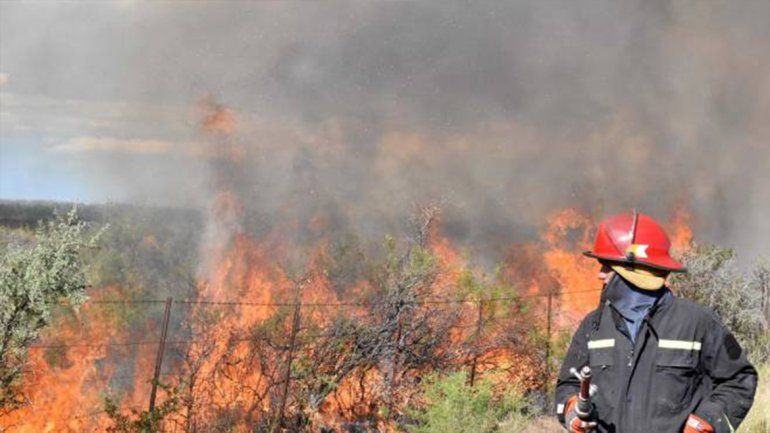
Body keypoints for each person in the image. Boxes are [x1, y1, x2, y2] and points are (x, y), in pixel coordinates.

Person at [555, 211, 757, 433]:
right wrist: (572, 410)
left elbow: (739, 379)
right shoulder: (593, 326)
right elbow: (567, 385)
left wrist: (708, 420)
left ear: (632, 270)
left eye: (606, 266)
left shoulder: (696, 323)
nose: (599, 275)